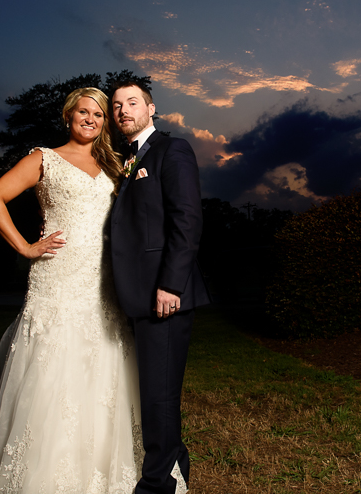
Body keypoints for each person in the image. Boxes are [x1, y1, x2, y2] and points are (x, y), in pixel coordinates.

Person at [0, 87, 143, 494]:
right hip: (58, 279)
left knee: (105, 364)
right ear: (68, 116)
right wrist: (25, 246)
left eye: (99, 114)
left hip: (103, 282)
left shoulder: (116, 166)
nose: (91, 119)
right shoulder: (44, 158)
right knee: (54, 368)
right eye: (83, 112)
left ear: (105, 122)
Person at [110, 81, 212, 494]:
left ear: (152, 109)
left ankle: (159, 484)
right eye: (116, 105)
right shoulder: (123, 159)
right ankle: (173, 468)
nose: (122, 110)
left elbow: (187, 220)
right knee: (148, 390)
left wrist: (171, 284)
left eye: (132, 102)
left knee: (159, 393)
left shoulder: (174, 149)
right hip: (132, 292)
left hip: (163, 294)